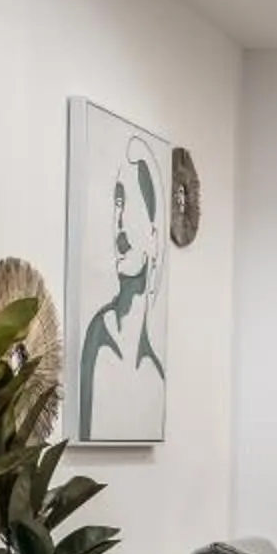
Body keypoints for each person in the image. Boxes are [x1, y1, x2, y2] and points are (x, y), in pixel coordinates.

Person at [78, 135, 168, 440]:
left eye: (126, 203)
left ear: (154, 238)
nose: (119, 225)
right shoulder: (99, 336)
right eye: (117, 202)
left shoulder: (154, 375)